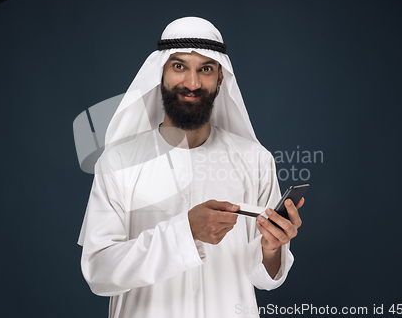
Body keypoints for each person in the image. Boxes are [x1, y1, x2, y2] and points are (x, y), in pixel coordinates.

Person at [77, 17, 304, 318]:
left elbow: (263, 277)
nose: (192, 83)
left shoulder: (255, 159)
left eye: (205, 69)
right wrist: (186, 232)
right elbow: (99, 272)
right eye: (179, 66)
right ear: (161, 73)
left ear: (220, 78)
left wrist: (272, 248)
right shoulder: (119, 161)